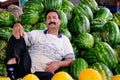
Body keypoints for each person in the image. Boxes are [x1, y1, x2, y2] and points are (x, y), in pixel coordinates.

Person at [5, 9, 75, 80]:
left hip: (44, 72)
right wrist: (17, 25)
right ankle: (11, 72)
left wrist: (58, 64)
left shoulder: (64, 40)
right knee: (16, 36)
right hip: (26, 66)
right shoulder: (37, 33)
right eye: (48, 18)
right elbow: (21, 36)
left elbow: (70, 60)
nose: (51, 20)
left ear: (60, 22)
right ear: (45, 22)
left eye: (54, 17)